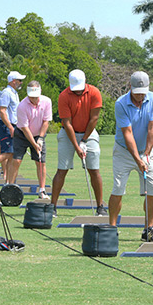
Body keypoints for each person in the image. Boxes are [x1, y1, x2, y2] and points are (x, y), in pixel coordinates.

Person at [107, 71, 153, 241]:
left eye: (143, 93)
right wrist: (138, 160)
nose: (140, 96)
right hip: (124, 151)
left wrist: (145, 154)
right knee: (118, 188)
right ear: (130, 87)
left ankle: (149, 229)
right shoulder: (120, 103)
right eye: (137, 92)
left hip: (147, 151)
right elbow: (127, 133)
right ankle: (112, 228)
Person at [51, 69, 106, 214]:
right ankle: (53, 207)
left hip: (89, 133)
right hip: (68, 133)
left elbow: (94, 118)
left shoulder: (94, 92)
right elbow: (67, 123)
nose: (78, 92)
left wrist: (84, 140)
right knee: (62, 170)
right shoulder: (64, 96)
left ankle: (100, 207)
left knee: (94, 170)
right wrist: (77, 145)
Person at [10, 80, 52, 198]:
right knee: (17, 161)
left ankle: (42, 190)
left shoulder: (47, 101)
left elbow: (46, 122)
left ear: (40, 92)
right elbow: (25, 128)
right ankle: (11, 187)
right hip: (22, 135)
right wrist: (34, 144)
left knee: (40, 162)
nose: (33, 99)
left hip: (39, 134)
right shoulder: (22, 106)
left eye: (35, 97)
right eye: (31, 97)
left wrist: (41, 139)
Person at [0, 70, 25, 184]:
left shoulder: (14, 93)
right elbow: (2, 111)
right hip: (6, 126)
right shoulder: (6, 92)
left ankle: (8, 183)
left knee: (12, 155)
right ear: (13, 81)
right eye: (19, 80)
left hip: (13, 126)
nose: (21, 83)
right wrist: (10, 127)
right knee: (7, 153)